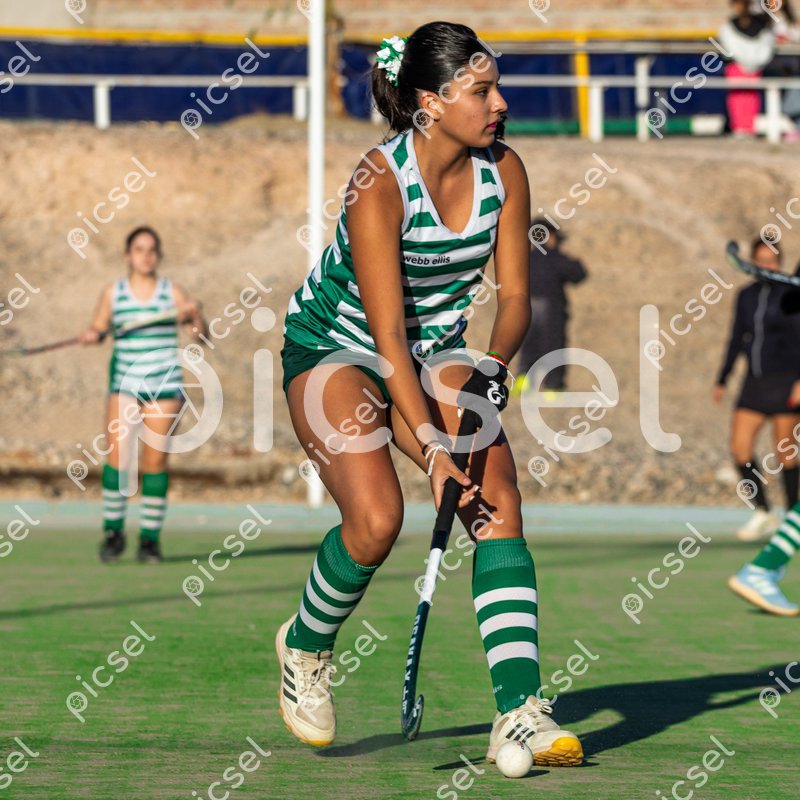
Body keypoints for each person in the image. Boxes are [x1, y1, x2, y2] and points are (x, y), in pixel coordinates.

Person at [275, 21, 583, 767]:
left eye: (497, 86)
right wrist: (435, 451)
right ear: (430, 102)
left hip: (433, 352)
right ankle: (305, 644)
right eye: (481, 90)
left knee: (496, 498)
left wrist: (492, 370)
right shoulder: (379, 182)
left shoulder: (504, 171)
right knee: (377, 520)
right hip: (337, 346)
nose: (500, 103)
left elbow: (516, 299)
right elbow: (384, 339)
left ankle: (519, 711)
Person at [79, 226, 207, 563]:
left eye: (152, 250)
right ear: (127, 255)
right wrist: (92, 334)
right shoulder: (114, 292)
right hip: (125, 386)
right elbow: (99, 328)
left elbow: (200, 337)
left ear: (159, 255)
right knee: (118, 459)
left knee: (154, 462)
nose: (146, 256)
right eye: (139, 249)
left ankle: (149, 540)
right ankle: (113, 533)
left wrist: (195, 316)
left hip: (165, 388)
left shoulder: (172, 292)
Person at [713, 238, 800, 541]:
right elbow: (736, 338)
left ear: (780, 263)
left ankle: (792, 519)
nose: (766, 267)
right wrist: (722, 378)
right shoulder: (746, 296)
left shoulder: (792, 295)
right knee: (740, 449)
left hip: (787, 380)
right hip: (755, 383)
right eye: (761, 261)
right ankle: (763, 511)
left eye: (771, 262)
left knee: (785, 453)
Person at [513, 217, 587, 395]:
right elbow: (578, 274)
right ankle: (553, 387)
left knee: (529, 345)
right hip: (551, 308)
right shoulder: (555, 258)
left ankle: (523, 382)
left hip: (527, 306)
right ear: (550, 236)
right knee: (553, 345)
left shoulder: (525, 259)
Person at [718, 0, 778, 135]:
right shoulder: (730, 26)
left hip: (752, 67)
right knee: (737, 97)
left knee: (750, 97)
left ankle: (748, 128)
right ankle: (739, 127)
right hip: (738, 67)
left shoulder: (761, 25)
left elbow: (765, 46)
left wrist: (751, 62)